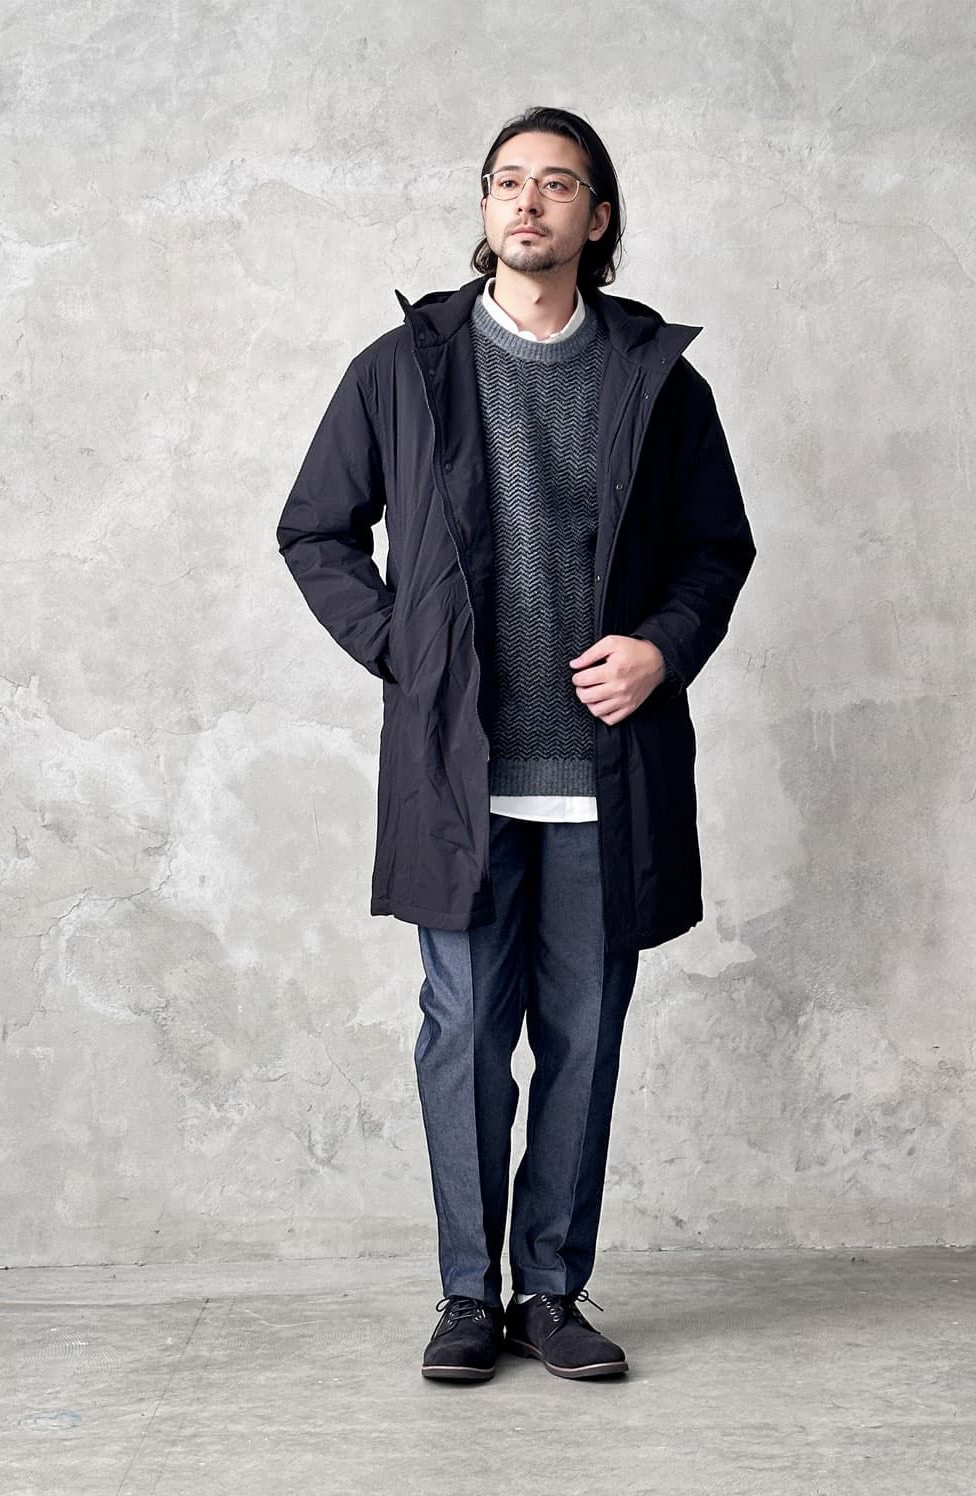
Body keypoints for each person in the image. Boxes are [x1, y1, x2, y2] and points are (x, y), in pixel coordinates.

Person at [276, 105, 756, 1383]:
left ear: (597, 217)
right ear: (484, 208)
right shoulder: (402, 367)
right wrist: (404, 647)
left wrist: (661, 645)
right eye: (506, 182)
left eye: (555, 184)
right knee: (461, 1037)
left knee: (583, 1041)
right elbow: (315, 530)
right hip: (462, 776)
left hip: (605, 776)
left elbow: (715, 550)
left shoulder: (658, 380)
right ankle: (461, 1293)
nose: (526, 202)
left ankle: (550, 1288)